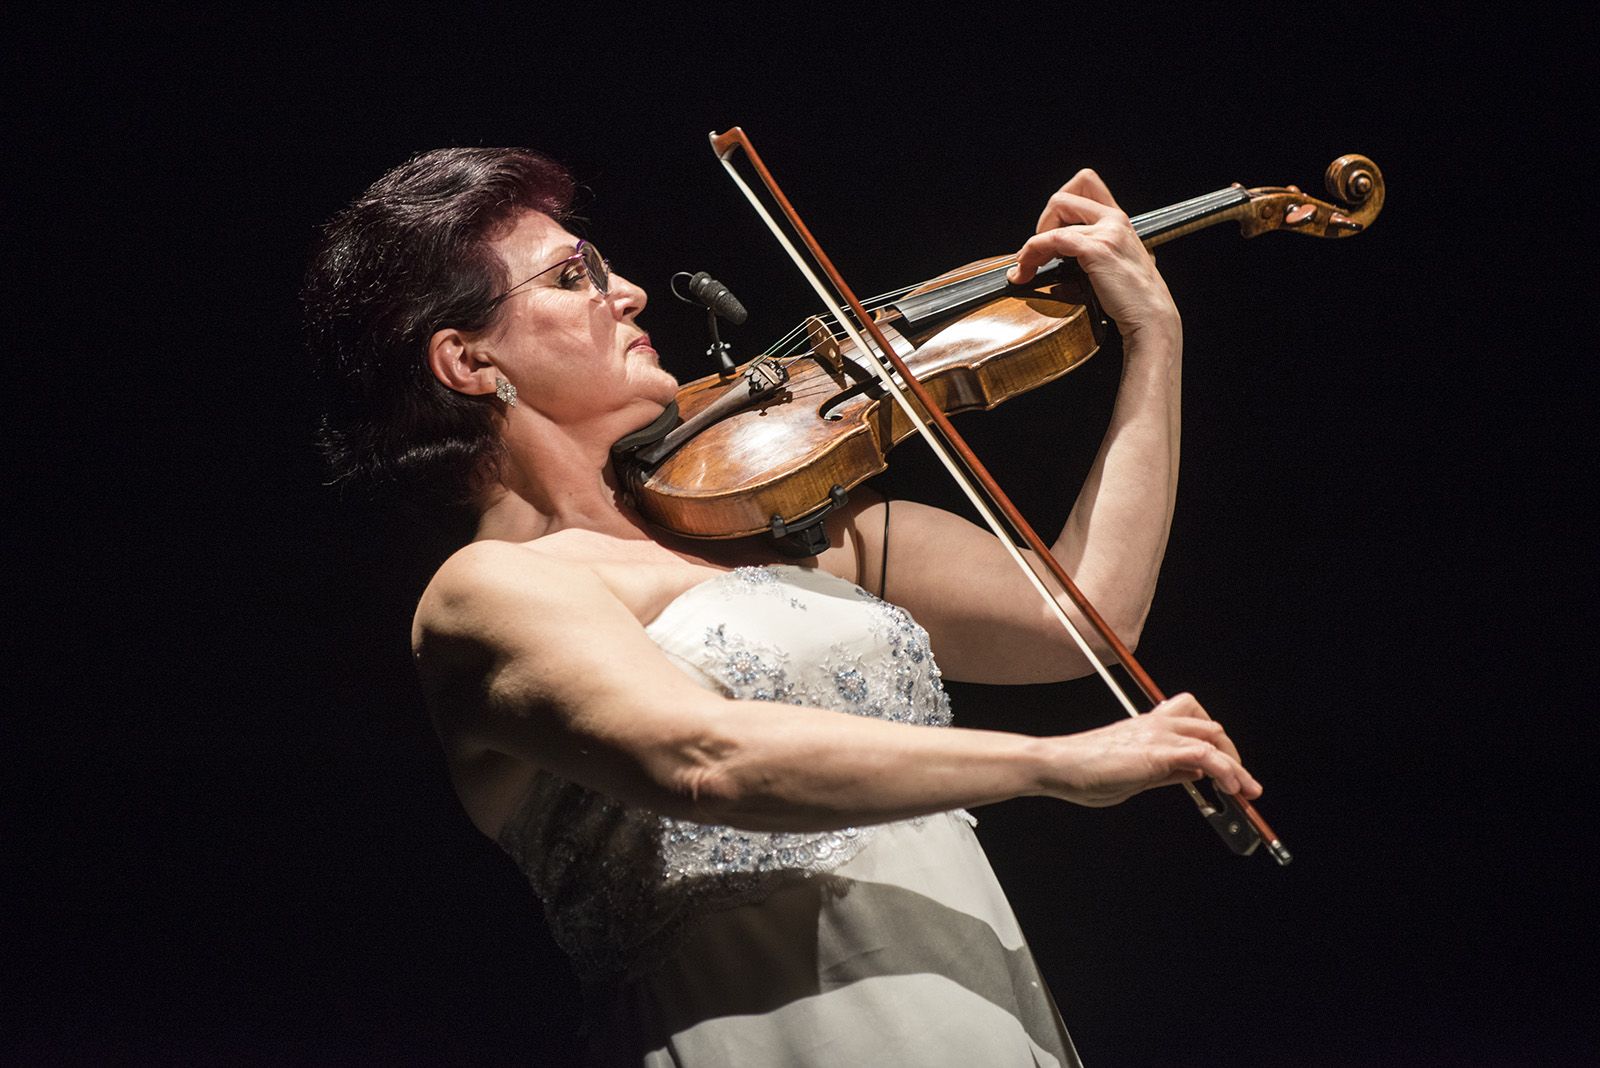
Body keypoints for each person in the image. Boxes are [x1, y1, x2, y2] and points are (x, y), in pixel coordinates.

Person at [304, 147, 1261, 1066]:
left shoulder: (778, 519)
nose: (628, 293)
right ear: (468, 364)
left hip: (971, 1002)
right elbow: (700, 757)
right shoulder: (491, 593)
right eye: (574, 276)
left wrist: (1151, 338)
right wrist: (1054, 763)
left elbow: (1087, 615)